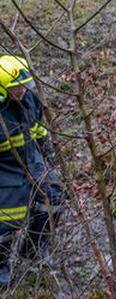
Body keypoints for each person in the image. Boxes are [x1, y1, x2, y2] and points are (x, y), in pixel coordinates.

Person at [0, 55, 62, 285]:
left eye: (25, 85)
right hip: (4, 168)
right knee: (6, 218)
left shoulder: (29, 99)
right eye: (17, 88)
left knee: (53, 196)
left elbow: (38, 131)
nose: (24, 91)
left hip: (31, 159)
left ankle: (35, 248)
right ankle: (1, 264)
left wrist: (48, 156)